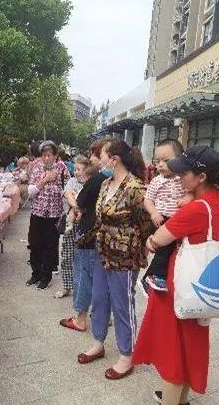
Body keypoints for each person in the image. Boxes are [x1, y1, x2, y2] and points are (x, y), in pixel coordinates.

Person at [132, 145, 219, 404]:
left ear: (201, 177)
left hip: (179, 288)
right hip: (199, 286)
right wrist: (191, 196)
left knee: (172, 351)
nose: (179, 177)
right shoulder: (214, 199)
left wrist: (150, 240)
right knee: (188, 345)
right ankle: (181, 399)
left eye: (184, 173)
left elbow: (159, 239)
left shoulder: (195, 209)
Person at [77, 139, 152, 381]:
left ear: (114, 159)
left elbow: (146, 224)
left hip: (125, 256)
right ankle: (98, 342)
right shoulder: (105, 183)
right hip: (102, 250)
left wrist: (136, 245)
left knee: (122, 303)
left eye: (102, 156)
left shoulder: (136, 187)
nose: (98, 160)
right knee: (99, 298)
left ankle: (127, 354)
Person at [59, 139, 109, 332]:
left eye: (95, 155)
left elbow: (80, 202)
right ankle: (102, 315)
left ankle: (80, 318)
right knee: (100, 278)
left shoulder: (97, 178)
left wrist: (74, 200)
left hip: (88, 233)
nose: (92, 159)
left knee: (83, 276)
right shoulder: (120, 179)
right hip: (105, 235)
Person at [141, 139, 192, 294]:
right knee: (165, 248)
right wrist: (154, 213)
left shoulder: (183, 179)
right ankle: (152, 276)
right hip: (161, 219)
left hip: (177, 220)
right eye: (157, 161)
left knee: (173, 250)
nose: (161, 165)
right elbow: (147, 200)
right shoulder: (157, 181)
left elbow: (193, 191)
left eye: (166, 160)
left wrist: (189, 197)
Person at [26, 140, 70, 289]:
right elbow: (30, 192)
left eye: (49, 155)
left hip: (54, 214)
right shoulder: (37, 168)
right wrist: (45, 180)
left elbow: (67, 189)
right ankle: (36, 273)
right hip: (37, 212)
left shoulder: (62, 168)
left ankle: (46, 276)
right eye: (43, 155)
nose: (46, 158)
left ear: (55, 156)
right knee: (35, 244)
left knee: (50, 246)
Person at [54, 156, 93, 299]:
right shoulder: (71, 181)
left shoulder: (91, 182)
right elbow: (68, 195)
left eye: (79, 169)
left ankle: (83, 288)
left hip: (85, 224)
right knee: (66, 255)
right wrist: (77, 207)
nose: (76, 172)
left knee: (83, 257)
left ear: (87, 170)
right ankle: (66, 286)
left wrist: (79, 207)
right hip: (72, 221)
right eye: (75, 169)